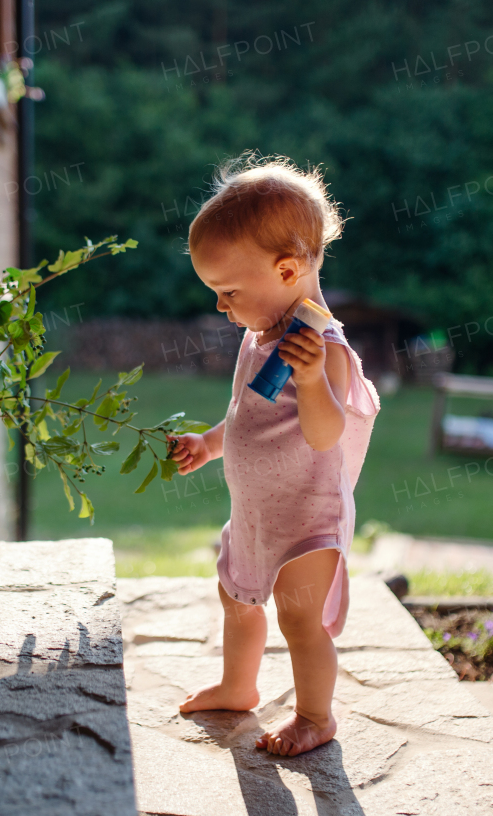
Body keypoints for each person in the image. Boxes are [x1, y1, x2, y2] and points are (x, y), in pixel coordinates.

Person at [167, 153, 381, 757]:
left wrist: (314, 383)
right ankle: (239, 685)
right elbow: (247, 416)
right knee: (236, 598)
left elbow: (323, 435)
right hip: (258, 512)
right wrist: (209, 445)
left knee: (298, 620)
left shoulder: (323, 352)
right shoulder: (261, 336)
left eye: (228, 291)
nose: (221, 306)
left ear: (287, 269)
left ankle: (316, 716)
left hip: (307, 522)